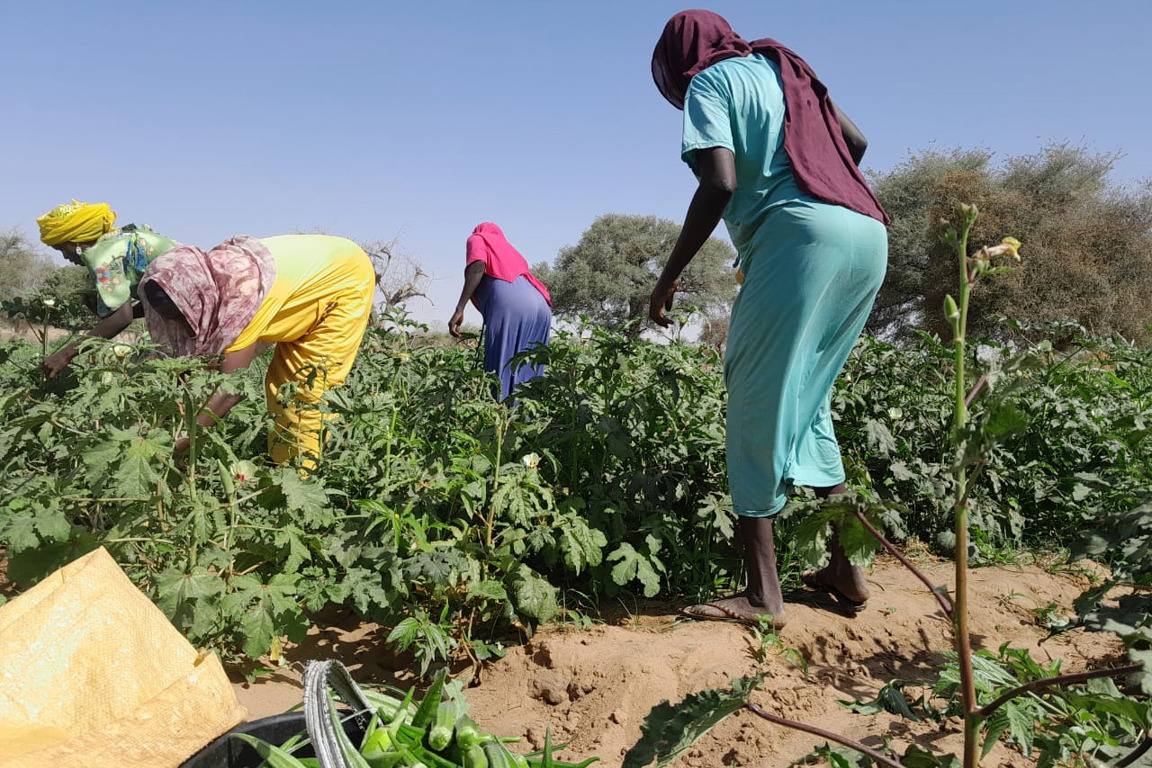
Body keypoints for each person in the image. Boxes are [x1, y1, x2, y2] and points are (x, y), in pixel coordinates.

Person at [649, 10, 890, 628]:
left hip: (800, 238)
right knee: (809, 398)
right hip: (866, 231)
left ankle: (762, 595)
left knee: (754, 395)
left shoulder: (712, 81)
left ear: (680, 59)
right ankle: (846, 567)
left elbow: (720, 181)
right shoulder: (786, 71)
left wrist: (670, 272)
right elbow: (856, 144)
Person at [139, 234, 375, 465]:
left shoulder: (240, 297)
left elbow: (232, 387)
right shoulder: (206, 278)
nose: (182, 326)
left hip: (342, 279)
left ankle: (305, 476)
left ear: (197, 298)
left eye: (183, 317)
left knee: (302, 394)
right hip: (307, 271)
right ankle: (284, 465)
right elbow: (197, 368)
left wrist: (179, 446)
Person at [35, 200, 180, 377]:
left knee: (174, 368)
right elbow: (153, 303)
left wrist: (65, 354)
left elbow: (122, 318)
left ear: (77, 242)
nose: (65, 257)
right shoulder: (118, 241)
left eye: (63, 248)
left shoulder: (102, 255)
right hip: (193, 296)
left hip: (192, 296)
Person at [448, 223, 552, 400]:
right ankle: (529, 420)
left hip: (512, 302)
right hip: (542, 304)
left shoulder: (478, 238)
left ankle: (500, 417)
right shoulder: (510, 250)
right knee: (530, 368)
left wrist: (460, 308)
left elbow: (478, 265)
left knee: (502, 366)